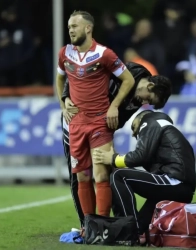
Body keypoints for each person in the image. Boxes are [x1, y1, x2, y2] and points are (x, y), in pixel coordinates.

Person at [61, 62, 172, 227]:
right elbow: (83, 69)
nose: (144, 102)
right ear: (150, 85)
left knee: (106, 172)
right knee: (79, 175)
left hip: (99, 128)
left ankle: (108, 224)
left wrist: (106, 135)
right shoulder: (124, 71)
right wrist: (66, 96)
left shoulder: (137, 99)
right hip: (75, 119)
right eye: (148, 98)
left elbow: (118, 120)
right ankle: (86, 226)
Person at [55, 10, 135, 220]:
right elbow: (60, 79)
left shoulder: (105, 54)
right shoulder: (65, 53)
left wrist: (114, 106)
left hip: (100, 122)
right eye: (69, 27)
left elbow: (128, 80)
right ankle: (89, 225)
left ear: (88, 28)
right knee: (82, 176)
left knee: (101, 174)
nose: (70, 30)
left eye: (74, 26)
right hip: (76, 123)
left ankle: (103, 223)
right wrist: (63, 104)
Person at [93, 110, 196, 237]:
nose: (133, 133)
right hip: (179, 186)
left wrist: (113, 159)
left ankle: (126, 229)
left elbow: (141, 156)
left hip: (175, 182)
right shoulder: (164, 128)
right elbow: (149, 164)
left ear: (141, 119)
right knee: (140, 225)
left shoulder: (150, 121)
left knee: (119, 175)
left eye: (133, 126)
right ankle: (135, 231)